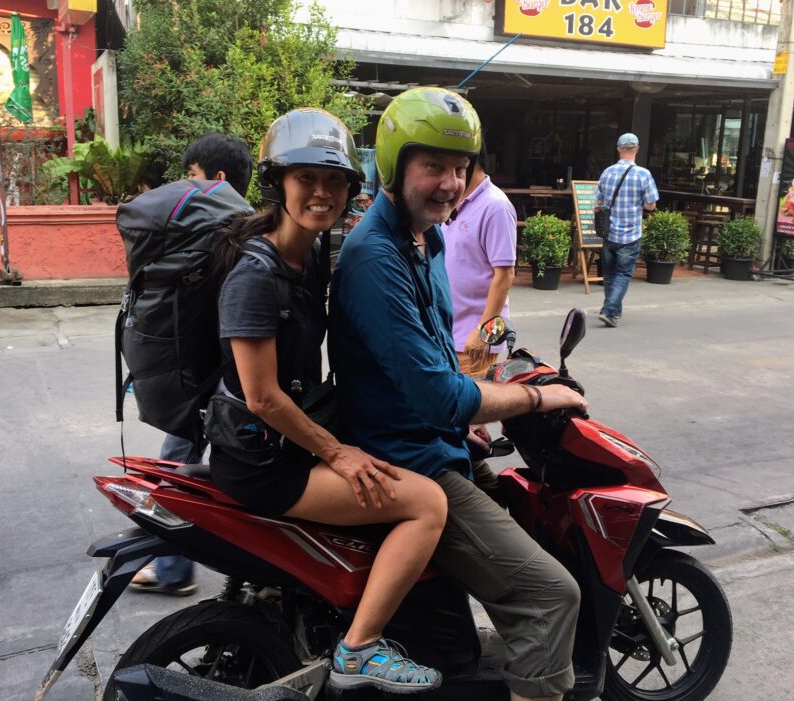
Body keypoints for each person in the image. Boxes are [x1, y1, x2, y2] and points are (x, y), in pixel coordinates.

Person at [330, 87, 587, 701]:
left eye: (459, 167)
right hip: (411, 460)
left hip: (434, 441)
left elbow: (437, 352)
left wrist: (469, 417)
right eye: (433, 167)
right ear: (395, 166)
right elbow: (439, 395)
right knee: (553, 596)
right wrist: (534, 399)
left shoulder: (427, 239)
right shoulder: (376, 258)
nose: (450, 182)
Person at [208, 108, 446, 693]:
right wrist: (337, 453)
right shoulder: (256, 274)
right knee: (427, 505)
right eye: (306, 178)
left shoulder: (312, 253)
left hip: (286, 441)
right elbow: (262, 396)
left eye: (334, 179)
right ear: (278, 183)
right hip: (264, 463)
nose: (321, 192)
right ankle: (359, 650)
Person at [130, 133, 254, 596]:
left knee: (178, 467)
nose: (187, 185)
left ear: (218, 180)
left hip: (207, 378)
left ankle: (174, 568)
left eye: (193, 176)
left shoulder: (220, 232)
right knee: (185, 462)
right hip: (218, 376)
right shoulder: (243, 229)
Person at [443, 137, 516, 380]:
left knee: (471, 411)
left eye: (453, 166)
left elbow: (505, 275)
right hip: (449, 332)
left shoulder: (495, 206)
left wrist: (483, 333)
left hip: (474, 338)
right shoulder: (454, 200)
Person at [595, 133, 659, 328]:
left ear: (618, 149)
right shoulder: (643, 174)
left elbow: (598, 204)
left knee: (610, 274)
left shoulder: (607, 172)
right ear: (637, 149)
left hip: (609, 232)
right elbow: (651, 205)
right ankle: (609, 310)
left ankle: (613, 312)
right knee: (623, 274)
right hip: (630, 234)